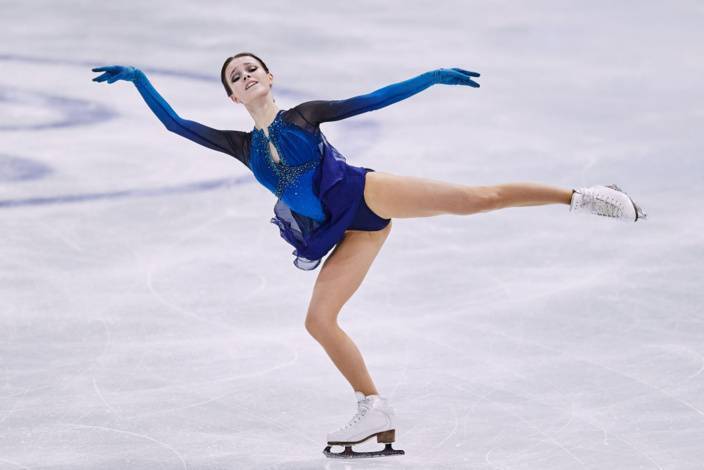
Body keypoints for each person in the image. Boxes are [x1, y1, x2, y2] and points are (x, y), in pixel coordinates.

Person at [91, 53, 646, 459]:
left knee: (474, 200)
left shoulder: (303, 116)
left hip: (366, 194)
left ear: (270, 77)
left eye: (252, 68)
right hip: (347, 232)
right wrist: (140, 79)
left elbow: (371, 100)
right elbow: (176, 125)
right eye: (235, 77)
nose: (246, 75)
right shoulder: (241, 146)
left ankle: (584, 196)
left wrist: (430, 77)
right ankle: (373, 407)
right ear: (233, 98)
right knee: (319, 320)